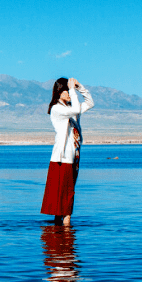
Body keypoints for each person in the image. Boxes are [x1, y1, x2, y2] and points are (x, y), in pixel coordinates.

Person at [40, 77, 94, 225]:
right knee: (63, 205)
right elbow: (76, 109)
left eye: (70, 90)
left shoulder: (70, 109)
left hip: (74, 158)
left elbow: (90, 103)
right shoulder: (57, 109)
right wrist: (72, 90)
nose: (70, 93)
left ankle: (60, 237)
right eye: (67, 90)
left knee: (65, 200)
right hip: (62, 159)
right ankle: (64, 242)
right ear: (59, 92)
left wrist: (79, 87)